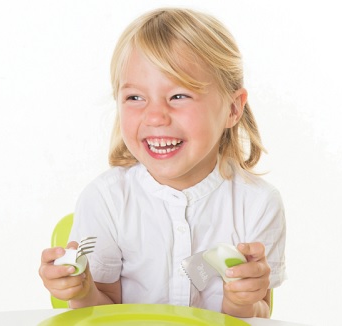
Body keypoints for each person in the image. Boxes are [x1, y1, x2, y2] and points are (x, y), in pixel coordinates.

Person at [39, 7, 286, 318]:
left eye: (179, 96)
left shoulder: (258, 203)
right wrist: (83, 291)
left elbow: (256, 314)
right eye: (135, 98)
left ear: (232, 109)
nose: (155, 116)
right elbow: (102, 316)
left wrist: (241, 301)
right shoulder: (106, 200)